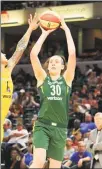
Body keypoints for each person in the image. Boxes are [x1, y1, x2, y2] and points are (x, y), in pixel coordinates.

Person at [30, 16, 76, 168]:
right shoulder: (43, 78)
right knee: (39, 161)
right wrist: (44, 33)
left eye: (58, 61)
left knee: (55, 166)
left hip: (61, 128)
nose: (54, 63)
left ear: (63, 66)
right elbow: (33, 55)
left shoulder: (67, 79)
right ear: (48, 66)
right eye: (51, 61)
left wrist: (67, 30)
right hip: (43, 125)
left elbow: (73, 54)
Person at [1, 13, 39, 142]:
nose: (5, 53)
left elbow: (20, 48)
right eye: (1, 53)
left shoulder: (7, 69)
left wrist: (30, 29)